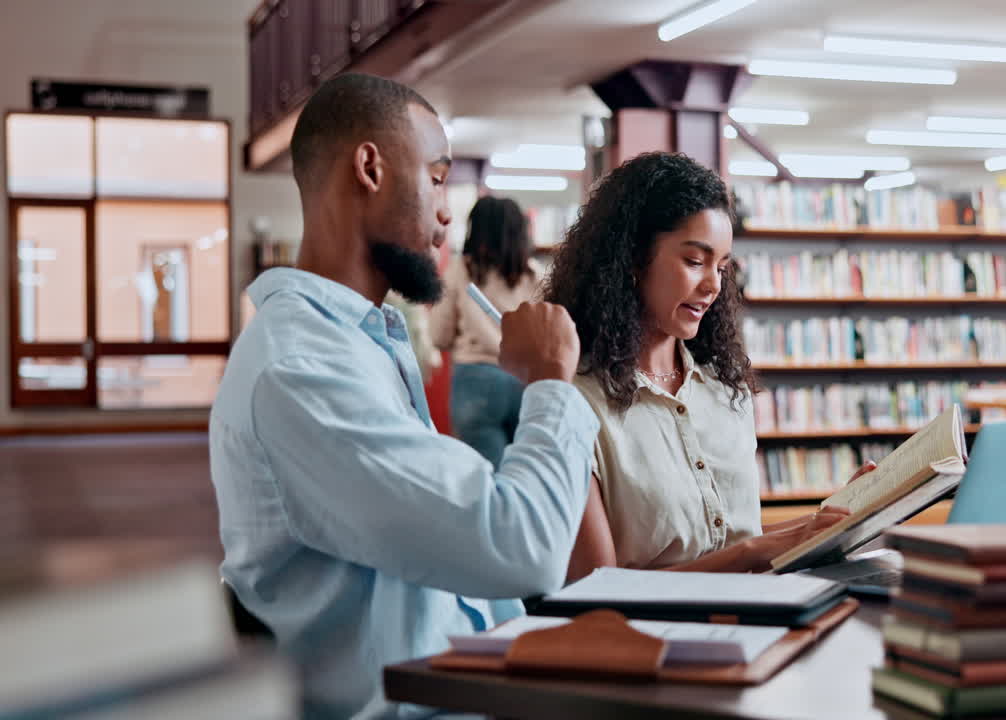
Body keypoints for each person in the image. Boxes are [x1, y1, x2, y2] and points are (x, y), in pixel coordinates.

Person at [209, 73, 599, 719]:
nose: (448, 212)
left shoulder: (362, 341)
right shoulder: (302, 370)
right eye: (438, 177)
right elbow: (522, 548)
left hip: (469, 678)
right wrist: (552, 379)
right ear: (370, 167)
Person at [542, 152, 871, 582]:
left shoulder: (724, 390)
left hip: (753, 624)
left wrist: (826, 524)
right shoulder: (574, 401)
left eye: (722, 266)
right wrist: (753, 552)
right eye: (695, 261)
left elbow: (735, 541)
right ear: (632, 261)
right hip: (649, 642)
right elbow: (596, 588)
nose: (714, 285)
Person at [430, 195, 541, 465]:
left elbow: (438, 334)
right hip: (525, 382)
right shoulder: (535, 274)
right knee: (525, 475)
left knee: (484, 482)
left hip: (475, 381)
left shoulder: (460, 270)